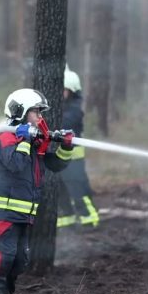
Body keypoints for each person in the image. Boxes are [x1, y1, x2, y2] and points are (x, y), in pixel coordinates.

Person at [0, 88, 74, 294]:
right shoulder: (6, 138)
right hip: (3, 213)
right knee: (0, 260)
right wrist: (26, 139)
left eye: (41, 112)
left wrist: (65, 146)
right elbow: (16, 165)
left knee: (17, 261)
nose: (40, 117)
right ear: (20, 112)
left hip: (22, 215)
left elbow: (56, 165)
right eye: (35, 112)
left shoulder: (30, 141)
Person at [56, 67, 100, 229]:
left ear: (72, 91)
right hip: (56, 158)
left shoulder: (74, 110)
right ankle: (67, 219)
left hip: (72, 159)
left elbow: (64, 123)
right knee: (59, 190)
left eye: (63, 90)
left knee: (78, 190)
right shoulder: (55, 109)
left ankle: (89, 218)